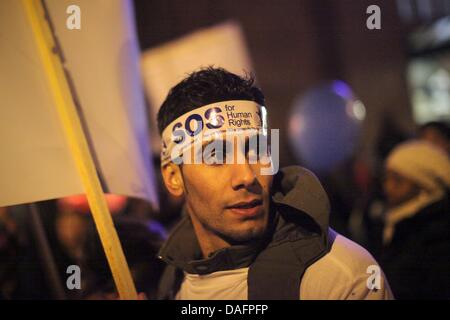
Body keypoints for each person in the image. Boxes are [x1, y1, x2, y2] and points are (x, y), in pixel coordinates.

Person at [155, 67, 393, 300]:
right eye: (216, 156)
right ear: (174, 177)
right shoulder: (170, 281)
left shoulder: (341, 278)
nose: (247, 177)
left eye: (257, 150)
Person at [380, 140, 450, 299]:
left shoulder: (437, 231)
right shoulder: (396, 221)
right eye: (387, 178)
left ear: (423, 183)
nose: (388, 187)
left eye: (397, 180)